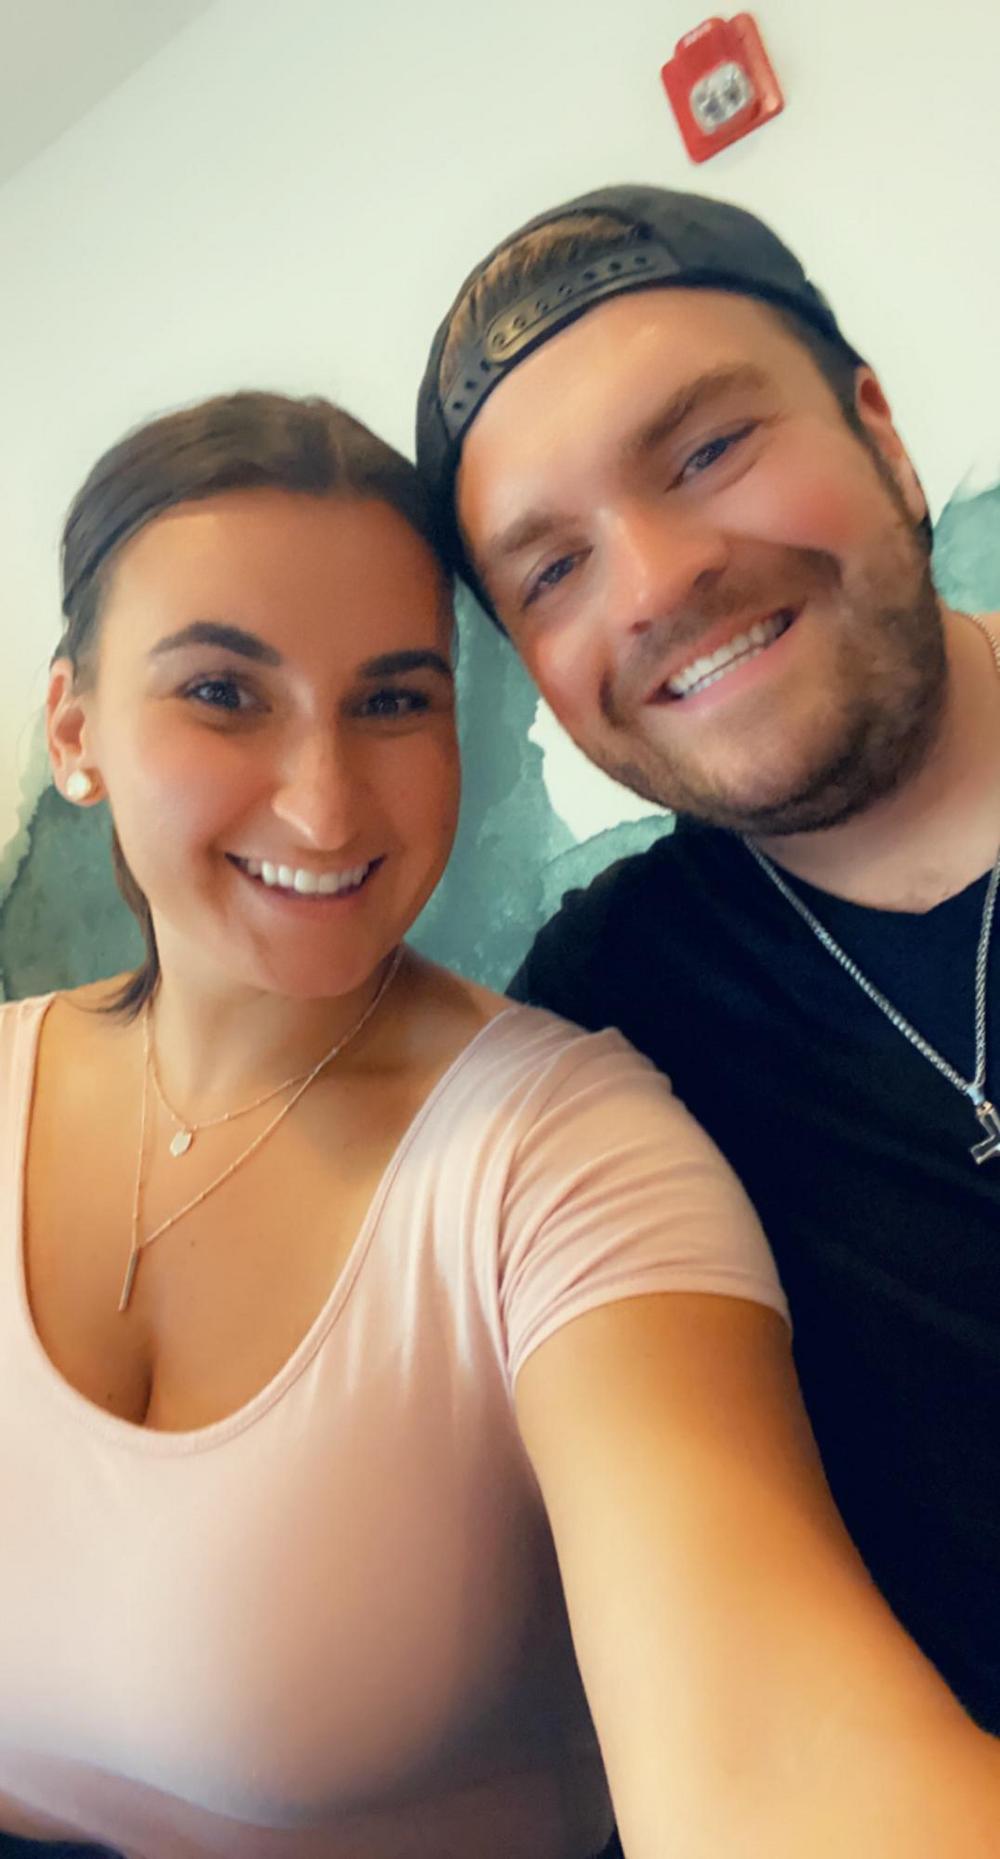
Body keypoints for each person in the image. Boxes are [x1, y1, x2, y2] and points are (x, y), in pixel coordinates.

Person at [1, 393, 995, 1859]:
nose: (325, 806)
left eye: (394, 701)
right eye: (222, 692)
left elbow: (766, 1765)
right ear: (75, 728)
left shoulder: (567, 1155)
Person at [415, 184, 1000, 1736]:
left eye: (707, 450)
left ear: (879, 432)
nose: (657, 580)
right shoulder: (603, 1034)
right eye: (552, 570)